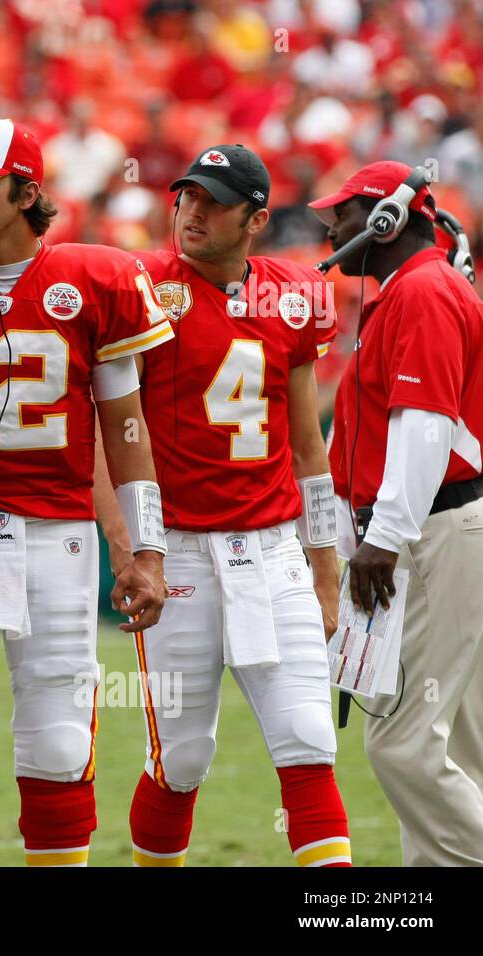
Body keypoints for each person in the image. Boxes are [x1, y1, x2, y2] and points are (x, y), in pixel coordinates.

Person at [98, 144, 352, 867]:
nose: (193, 211)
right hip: (176, 550)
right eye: (186, 196)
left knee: (308, 741)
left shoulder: (292, 296)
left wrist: (325, 569)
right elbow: (107, 430)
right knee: (181, 758)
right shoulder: (142, 285)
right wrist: (129, 546)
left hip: (273, 552)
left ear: (257, 219)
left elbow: (309, 448)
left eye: (213, 200)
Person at [0, 117, 172, 866]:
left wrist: (143, 546)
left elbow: (125, 429)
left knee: (58, 742)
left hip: (57, 535)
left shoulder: (91, 278)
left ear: (26, 190)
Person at [313, 160, 483, 866]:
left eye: (345, 213)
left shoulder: (423, 292)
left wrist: (380, 538)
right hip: (439, 525)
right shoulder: (418, 290)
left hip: (429, 529)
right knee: (460, 742)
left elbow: (424, 425)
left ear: (388, 216)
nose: (334, 227)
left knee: (402, 737)